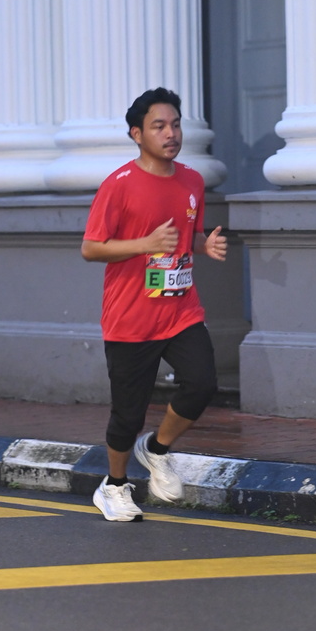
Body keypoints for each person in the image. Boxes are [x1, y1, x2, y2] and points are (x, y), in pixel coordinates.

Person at [81, 87, 227, 521]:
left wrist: (203, 245)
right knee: (128, 414)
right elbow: (91, 248)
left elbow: (184, 236)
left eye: (176, 125)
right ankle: (114, 486)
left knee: (201, 384)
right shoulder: (119, 185)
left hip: (181, 310)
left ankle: (157, 449)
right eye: (159, 126)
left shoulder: (192, 181)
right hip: (131, 316)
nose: (171, 134)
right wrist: (144, 244)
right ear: (137, 134)